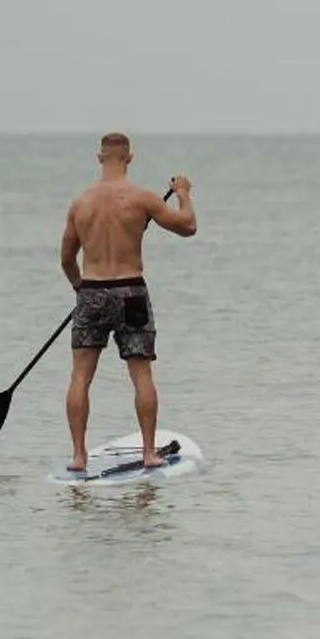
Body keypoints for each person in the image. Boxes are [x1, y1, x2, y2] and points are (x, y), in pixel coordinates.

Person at [59, 133, 196, 472]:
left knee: (80, 376)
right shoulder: (142, 198)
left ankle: (78, 455)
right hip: (131, 291)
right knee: (141, 372)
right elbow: (188, 226)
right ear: (129, 158)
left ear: (99, 158)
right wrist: (184, 194)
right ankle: (149, 452)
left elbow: (65, 259)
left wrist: (81, 289)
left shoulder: (81, 203)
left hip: (91, 290)